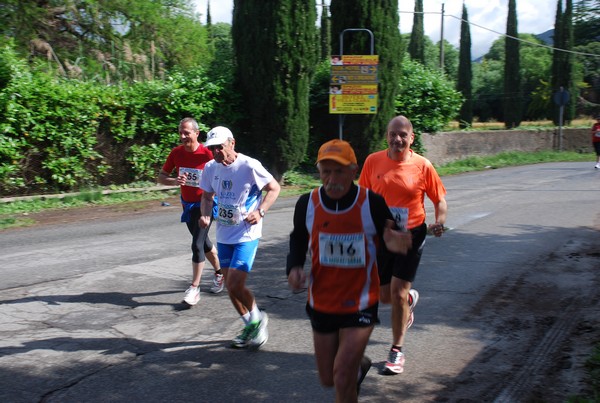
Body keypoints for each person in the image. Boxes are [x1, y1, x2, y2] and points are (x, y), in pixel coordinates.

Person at [287, 139, 412, 402]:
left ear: (354, 171)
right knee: (328, 378)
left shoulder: (372, 204)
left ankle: (351, 367)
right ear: (319, 172)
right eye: (326, 171)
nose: (332, 179)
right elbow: (298, 237)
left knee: (342, 377)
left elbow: (395, 237)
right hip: (321, 301)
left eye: (339, 171)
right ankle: (359, 364)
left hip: (361, 303)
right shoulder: (306, 204)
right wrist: (295, 266)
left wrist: (395, 243)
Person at [358, 115, 448, 375]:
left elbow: (439, 199)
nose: (398, 139)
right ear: (386, 136)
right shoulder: (373, 161)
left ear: (412, 138)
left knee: (395, 293)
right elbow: (363, 198)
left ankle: (396, 351)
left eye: (403, 135)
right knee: (386, 296)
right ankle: (408, 301)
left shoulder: (422, 165)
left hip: (412, 235)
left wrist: (439, 221)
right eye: (393, 134)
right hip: (383, 236)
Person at [199, 126, 280, 349]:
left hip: (247, 234)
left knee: (235, 283)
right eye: (212, 148)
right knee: (230, 287)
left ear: (232, 143)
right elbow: (206, 196)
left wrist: (261, 211)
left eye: (220, 147)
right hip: (224, 234)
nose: (216, 152)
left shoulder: (249, 165)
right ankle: (249, 325)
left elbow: (274, 188)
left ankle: (258, 318)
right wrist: (205, 215)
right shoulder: (210, 168)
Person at [157, 117, 224, 306]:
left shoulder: (207, 153)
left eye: (187, 132)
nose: (183, 136)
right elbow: (162, 177)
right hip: (188, 205)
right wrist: (175, 181)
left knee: (196, 244)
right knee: (204, 243)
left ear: (197, 133)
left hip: (207, 203)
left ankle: (194, 288)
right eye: (180, 132)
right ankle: (220, 273)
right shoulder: (176, 153)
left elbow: (224, 170)